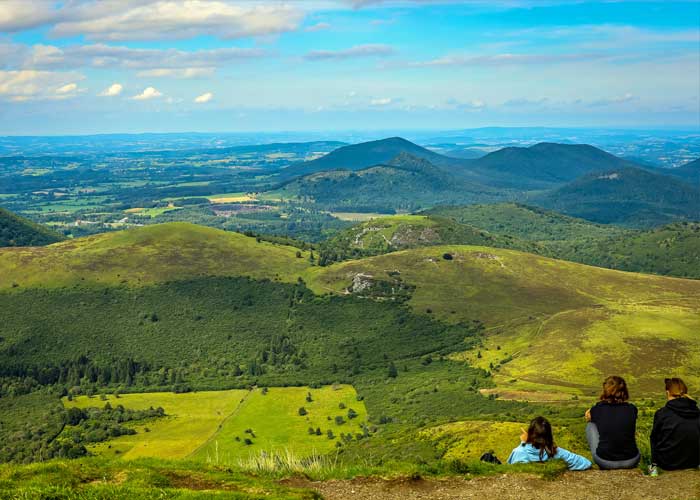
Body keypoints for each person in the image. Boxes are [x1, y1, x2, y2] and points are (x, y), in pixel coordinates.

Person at [585, 375, 640, 469]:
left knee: (590, 425)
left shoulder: (598, 409)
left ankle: (605, 456)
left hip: (605, 461)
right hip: (632, 460)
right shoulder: (632, 408)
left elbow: (587, 416)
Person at [650, 377, 700, 471]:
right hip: (694, 462)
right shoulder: (697, 412)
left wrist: (654, 463)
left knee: (654, 437)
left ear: (668, 392)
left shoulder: (662, 413)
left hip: (667, 463)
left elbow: (654, 440)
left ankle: (653, 469)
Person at [507, 416, 591, 470]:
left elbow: (508, 469)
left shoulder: (519, 452)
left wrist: (523, 443)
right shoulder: (557, 452)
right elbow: (586, 463)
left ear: (530, 433)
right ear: (549, 435)